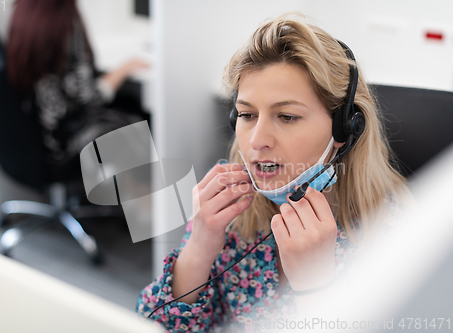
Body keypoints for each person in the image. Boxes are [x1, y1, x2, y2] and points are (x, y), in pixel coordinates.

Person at [136, 13, 410, 332]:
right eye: (247, 114)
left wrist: (315, 289)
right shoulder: (230, 206)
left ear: (345, 128)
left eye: (287, 117)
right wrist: (198, 247)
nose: (256, 141)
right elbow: (151, 325)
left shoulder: (394, 236)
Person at [6, 0, 149, 174]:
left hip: (35, 140)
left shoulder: (25, 12)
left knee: (129, 104)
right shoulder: (64, 23)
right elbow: (89, 100)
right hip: (64, 148)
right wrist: (125, 68)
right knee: (141, 126)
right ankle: (146, 198)